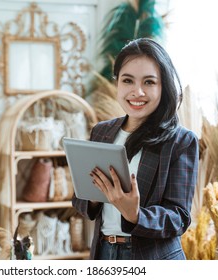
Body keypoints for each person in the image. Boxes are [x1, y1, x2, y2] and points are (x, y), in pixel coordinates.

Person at [72, 38, 199, 260]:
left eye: (149, 82)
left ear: (164, 86)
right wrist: (94, 196)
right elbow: (79, 200)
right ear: (117, 83)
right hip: (103, 252)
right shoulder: (101, 132)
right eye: (128, 80)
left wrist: (136, 214)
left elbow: (179, 217)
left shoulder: (181, 141)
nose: (137, 91)